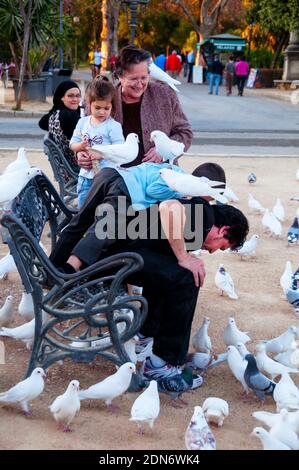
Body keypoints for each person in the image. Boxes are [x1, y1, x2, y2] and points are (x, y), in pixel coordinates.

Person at [50, 175, 249, 387]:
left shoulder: (200, 215)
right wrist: (184, 257)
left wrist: (183, 257)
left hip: (116, 254)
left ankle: (147, 341)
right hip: (113, 257)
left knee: (173, 270)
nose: (213, 251)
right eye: (222, 246)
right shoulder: (203, 217)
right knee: (186, 277)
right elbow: (170, 207)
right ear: (223, 230)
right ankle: (164, 363)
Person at [77, 45, 192, 171]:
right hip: (115, 178)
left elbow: (184, 133)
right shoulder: (103, 99)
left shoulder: (165, 95)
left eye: (144, 78)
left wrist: (164, 151)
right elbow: (85, 137)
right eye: (133, 79)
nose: (139, 84)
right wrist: (80, 154)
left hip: (160, 175)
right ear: (120, 77)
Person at [70, 78, 124, 208]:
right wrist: (80, 148)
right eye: (97, 107)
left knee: (103, 210)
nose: (102, 112)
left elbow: (119, 150)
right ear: (89, 104)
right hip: (86, 177)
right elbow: (72, 144)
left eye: (106, 108)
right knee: (83, 209)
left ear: (112, 106)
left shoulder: (113, 126)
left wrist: (101, 154)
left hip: (107, 178)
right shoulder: (83, 123)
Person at [39, 80, 81, 172]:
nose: (75, 99)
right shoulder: (69, 116)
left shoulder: (56, 114)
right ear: (61, 97)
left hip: (64, 168)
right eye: (70, 96)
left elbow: (41, 123)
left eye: (78, 96)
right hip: (76, 167)